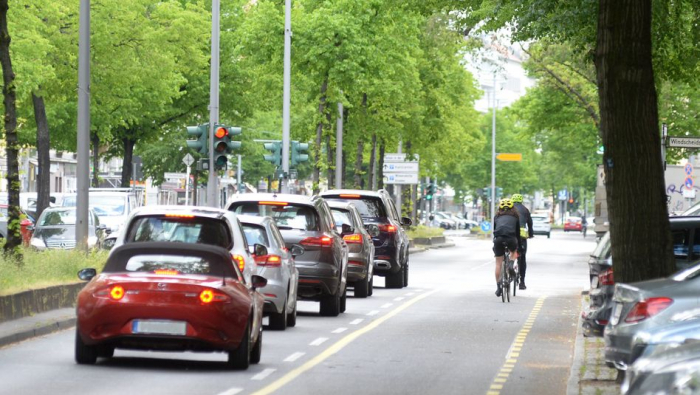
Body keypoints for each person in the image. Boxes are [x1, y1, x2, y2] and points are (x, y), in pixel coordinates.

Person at [493, 198, 521, 297]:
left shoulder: (496, 216)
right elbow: (518, 233)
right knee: (513, 252)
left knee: (498, 264)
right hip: (511, 238)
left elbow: (495, 231)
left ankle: (498, 288)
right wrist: (519, 245)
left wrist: (495, 244)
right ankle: (511, 264)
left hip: (499, 239)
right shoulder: (516, 216)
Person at [511, 193, 534, 290]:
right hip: (521, 235)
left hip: (510, 234)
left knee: (508, 250)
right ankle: (522, 282)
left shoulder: (509, 209)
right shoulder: (525, 209)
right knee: (522, 258)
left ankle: (508, 263)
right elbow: (530, 223)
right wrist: (531, 233)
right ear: (521, 201)